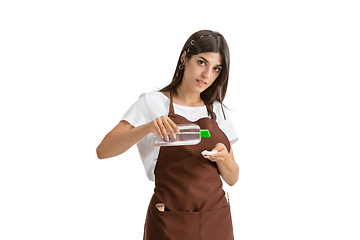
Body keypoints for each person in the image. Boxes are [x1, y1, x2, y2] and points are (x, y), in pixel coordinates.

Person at [96, 30, 239, 240]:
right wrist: (148, 127)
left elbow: (233, 178)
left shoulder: (216, 111)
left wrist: (224, 157)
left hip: (215, 220)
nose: (207, 75)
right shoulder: (152, 103)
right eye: (201, 62)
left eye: (216, 68)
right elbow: (103, 151)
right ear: (185, 58)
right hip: (169, 222)